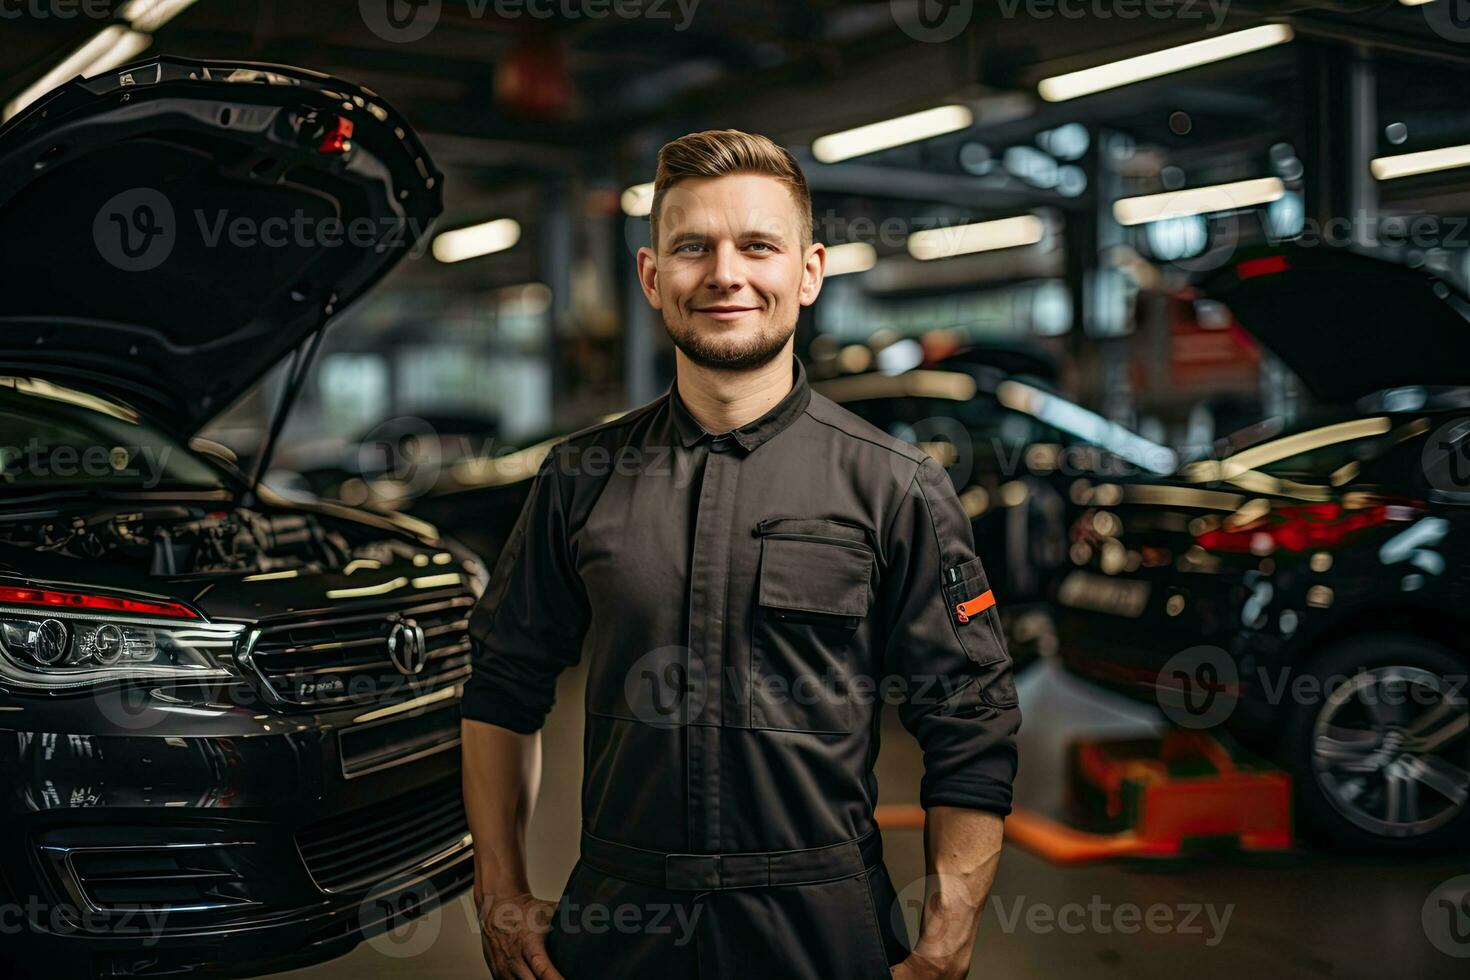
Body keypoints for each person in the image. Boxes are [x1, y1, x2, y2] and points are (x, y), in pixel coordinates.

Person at [461, 128, 1021, 979]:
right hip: (618, 923)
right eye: (694, 247)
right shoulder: (581, 477)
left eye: (758, 245)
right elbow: (503, 687)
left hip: (821, 923)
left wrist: (948, 937)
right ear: (653, 277)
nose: (726, 274)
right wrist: (498, 892)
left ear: (809, 270)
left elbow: (971, 718)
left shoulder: (894, 487)